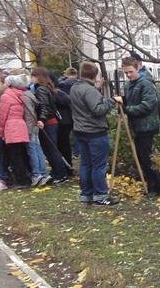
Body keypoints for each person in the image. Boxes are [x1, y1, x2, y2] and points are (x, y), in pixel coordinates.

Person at [69, 61, 118, 206]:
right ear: (95, 74)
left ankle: (86, 194)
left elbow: (86, 102)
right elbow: (98, 110)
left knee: (86, 164)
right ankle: (101, 195)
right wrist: (112, 101)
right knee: (99, 165)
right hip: (95, 132)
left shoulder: (75, 87)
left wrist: (97, 89)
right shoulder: (89, 90)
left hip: (80, 131)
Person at [114, 56, 160, 197]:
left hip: (147, 125)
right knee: (143, 157)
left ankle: (156, 188)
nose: (128, 75)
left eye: (130, 72)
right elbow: (129, 100)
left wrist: (127, 109)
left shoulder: (145, 84)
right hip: (137, 125)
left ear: (137, 68)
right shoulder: (129, 84)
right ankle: (159, 179)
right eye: (126, 73)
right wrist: (122, 102)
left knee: (146, 158)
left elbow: (147, 105)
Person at [31, 67, 70, 184]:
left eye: (33, 76)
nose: (31, 79)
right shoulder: (47, 88)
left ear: (38, 77)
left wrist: (42, 119)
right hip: (51, 122)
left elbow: (44, 106)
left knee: (51, 150)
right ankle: (58, 171)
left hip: (47, 123)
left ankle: (60, 173)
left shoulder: (40, 90)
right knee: (51, 149)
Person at [0, 74, 33, 187]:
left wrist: (1, 131)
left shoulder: (6, 96)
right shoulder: (19, 95)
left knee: (14, 156)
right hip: (21, 126)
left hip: (11, 127)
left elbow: (3, 115)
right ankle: (28, 176)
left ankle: (21, 180)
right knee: (21, 153)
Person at [54, 67, 77, 166]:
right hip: (75, 112)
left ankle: (68, 161)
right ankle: (76, 152)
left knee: (64, 141)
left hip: (63, 116)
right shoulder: (78, 84)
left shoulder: (61, 86)